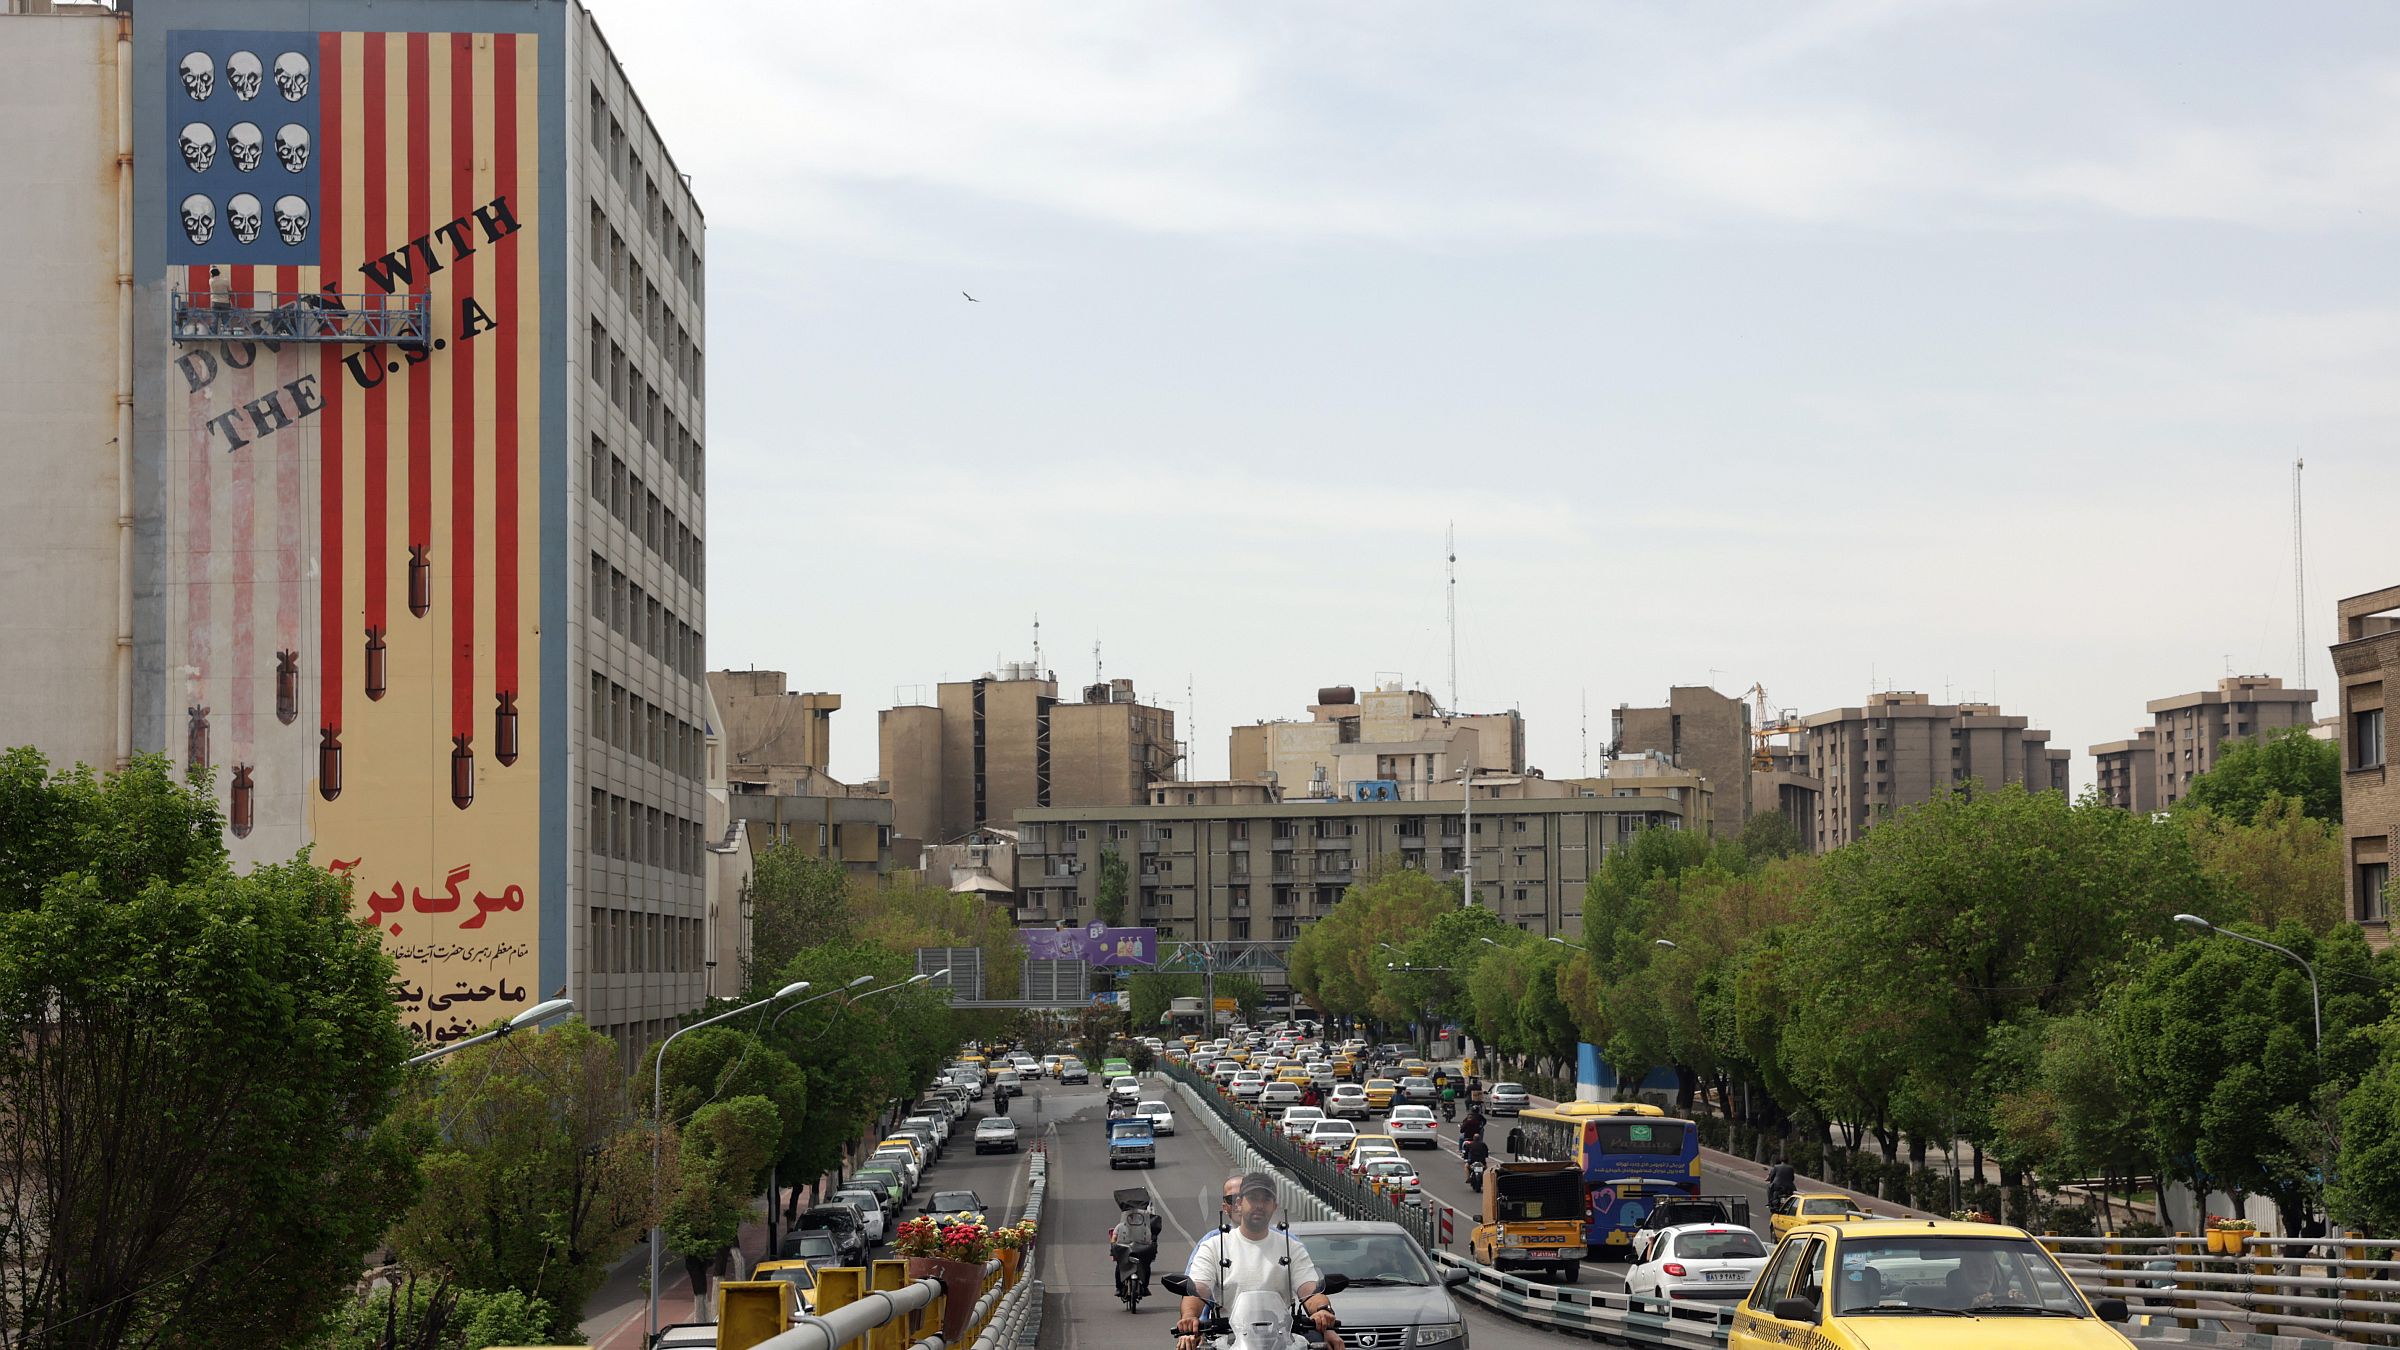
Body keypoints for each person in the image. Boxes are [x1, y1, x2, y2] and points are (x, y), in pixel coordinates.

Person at [1178, 1172, 1344, 1350]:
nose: (1259, 1205)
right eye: (1253, 1198)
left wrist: (1322, 1311)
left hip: (1283, 1341)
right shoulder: (1214, 1246)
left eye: (1266, 1199)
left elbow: (1310, 1290)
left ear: (1275, 1206)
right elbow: (1197, 1290)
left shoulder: (1291, 1247)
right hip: (1228, 1341)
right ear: (1240, 1203)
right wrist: (1189, 1317)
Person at [1941, 1250, 2015, 1309]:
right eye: (1975, 1267)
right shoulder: (1942, 1311)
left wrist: (2017, 1305)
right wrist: (1972, 1309)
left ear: (1994, 1270)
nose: (1982, 1273)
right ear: (1962, 1270)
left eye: (1987, 1267)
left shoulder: (2005, 1302)